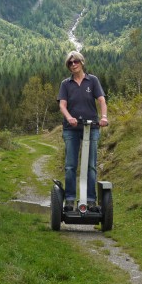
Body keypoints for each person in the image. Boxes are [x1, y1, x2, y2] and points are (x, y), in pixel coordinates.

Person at [57, 51, 108, 212]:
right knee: (71, 165)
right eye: (70, 63)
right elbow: (62, 105)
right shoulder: (66, 84)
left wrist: (104, 117)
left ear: (82, 62)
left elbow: (101, 100)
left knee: (91, 165)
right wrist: (69, 118)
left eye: (76, 61)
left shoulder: (92, 80)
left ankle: (91, 200)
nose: (73, 64)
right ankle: (70, 200)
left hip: (91, 127)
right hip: (71, 130)